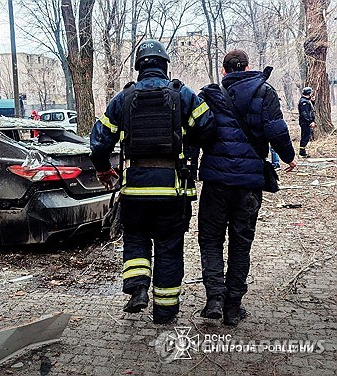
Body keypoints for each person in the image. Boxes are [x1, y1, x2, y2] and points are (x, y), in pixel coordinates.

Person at [90, 39, 215, 324]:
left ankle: (137, 289)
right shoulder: (181, 94)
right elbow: (208, 128)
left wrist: (102, 170)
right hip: (172, 190)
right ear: (165, 65)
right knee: (169, 247)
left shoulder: (124, 99)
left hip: (134, 189)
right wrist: (187, 137)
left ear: (138, 68)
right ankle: (165, 311)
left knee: (135, 239)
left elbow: (99, 142)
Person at [197, 49, 297, 325]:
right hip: (249, 184)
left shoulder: (210, 96)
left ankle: (214, 298)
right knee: (241, 246)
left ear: (224, 70)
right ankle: (233, 307)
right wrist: (289, 157)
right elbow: (276, 130)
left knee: (210, 240)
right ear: (248, 66)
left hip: (216, 182)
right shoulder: (265, 93)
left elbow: (197, 132)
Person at [298, 87, 316, 158]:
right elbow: (305, 113)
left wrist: (312, 102)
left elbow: (310, 110)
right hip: (305, 123)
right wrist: (310, 121)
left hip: (306, 122)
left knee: (306, 136)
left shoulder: (306, 101)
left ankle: (302, 151)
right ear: (309, 93)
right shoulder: (304, 102)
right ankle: (302, 152)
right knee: (305, 137)